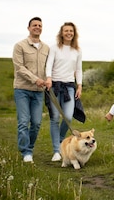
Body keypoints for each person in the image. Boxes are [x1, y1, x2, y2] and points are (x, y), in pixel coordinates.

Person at [12, 16, 50, 163]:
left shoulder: (46, 48)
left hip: (39, 92)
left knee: (36, 122)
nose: (37, 27)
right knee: (23, 121)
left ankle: (29, 147)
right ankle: (26, 152)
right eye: (34, 25)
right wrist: (36, 79)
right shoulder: (20, 46)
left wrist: (48, 79)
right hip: (22, 89)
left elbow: (49, 67)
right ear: (28, 28)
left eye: (40, 25)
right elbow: (19, 68)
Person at [45, 22, 83, 162]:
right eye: (66, 31)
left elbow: (78, 69)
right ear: (61, 33)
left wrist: (79, 85)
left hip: (69, 86)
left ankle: (60, 141)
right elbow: (49, 64)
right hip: (54, 86)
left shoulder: (77, 51)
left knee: (68, 117)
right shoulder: (54, 48)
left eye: (71, 31)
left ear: (74, 33)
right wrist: (48, 78)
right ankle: (56, 151)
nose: (68, 33)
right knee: (55, 117)